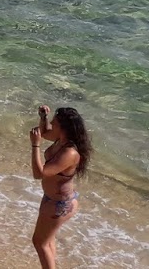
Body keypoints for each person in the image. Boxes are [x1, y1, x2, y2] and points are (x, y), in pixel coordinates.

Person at [30, 105, 91, 269]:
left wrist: (35, 145)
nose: (51, 124)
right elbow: (45, 131)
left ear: (63, 128)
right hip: (52, 200)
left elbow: (39, 173)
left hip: (60, 205)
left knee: (39, 242)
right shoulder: (61, 140)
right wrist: (43, 117)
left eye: (54, 123)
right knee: (47, 241)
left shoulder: (70, 153)